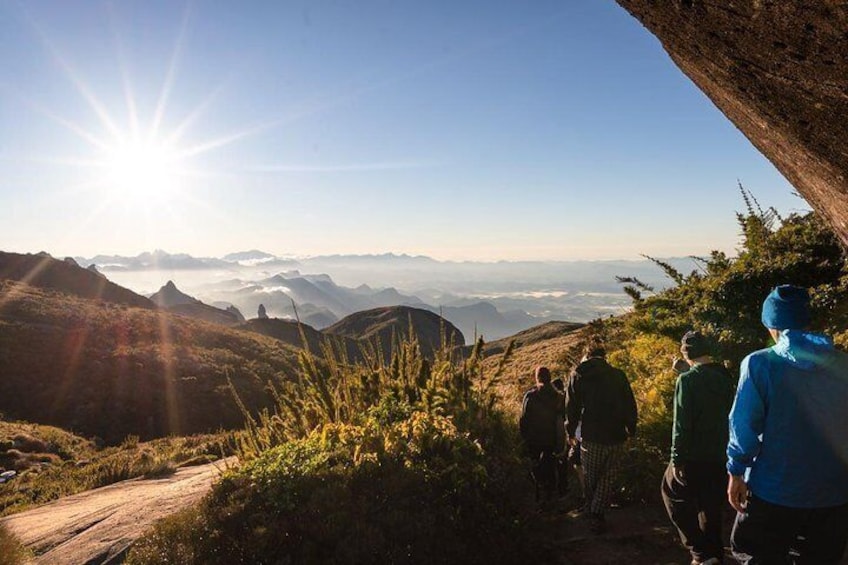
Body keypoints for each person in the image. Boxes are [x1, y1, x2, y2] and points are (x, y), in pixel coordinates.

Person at [727, 285, 848, 564]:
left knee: (754, 554)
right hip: (834, 493)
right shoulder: (843, 364)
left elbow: (743, 424)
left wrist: (735, 470)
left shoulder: (760, 364)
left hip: (775, 489)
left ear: (772, 324)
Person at [661, 331, 735, 565]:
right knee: (710, 507)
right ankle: (714, 556)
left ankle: (700, 552)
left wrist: (677, 458)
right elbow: (708, 386)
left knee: (670, 493)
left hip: (693, 456)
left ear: (687, 354)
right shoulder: (725, 377)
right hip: (722, 455)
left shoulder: (687, 381)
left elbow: (681, 424)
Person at [566, 344, 637, 533]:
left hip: (591, 435)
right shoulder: (618, 375)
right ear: (604, 357)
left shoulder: (577, 375)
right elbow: (629, 403)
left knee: (591, 478)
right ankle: (596, 514)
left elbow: (571, 407)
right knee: (608, 476)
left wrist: (570, 431)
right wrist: (631, 428)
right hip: (616, 435)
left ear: (587, 356)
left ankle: (593, 513)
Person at [520, 366, 566, 508]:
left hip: (533, 439)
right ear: (550, 377)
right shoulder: (558, 397)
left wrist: (524, 438)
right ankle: (551, 496)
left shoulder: (530, 396)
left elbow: (523, 420)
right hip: (551, 439)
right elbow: (562, 419)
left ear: (537, 378)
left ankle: (540, 497)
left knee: (536, 467)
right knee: (550, 466)